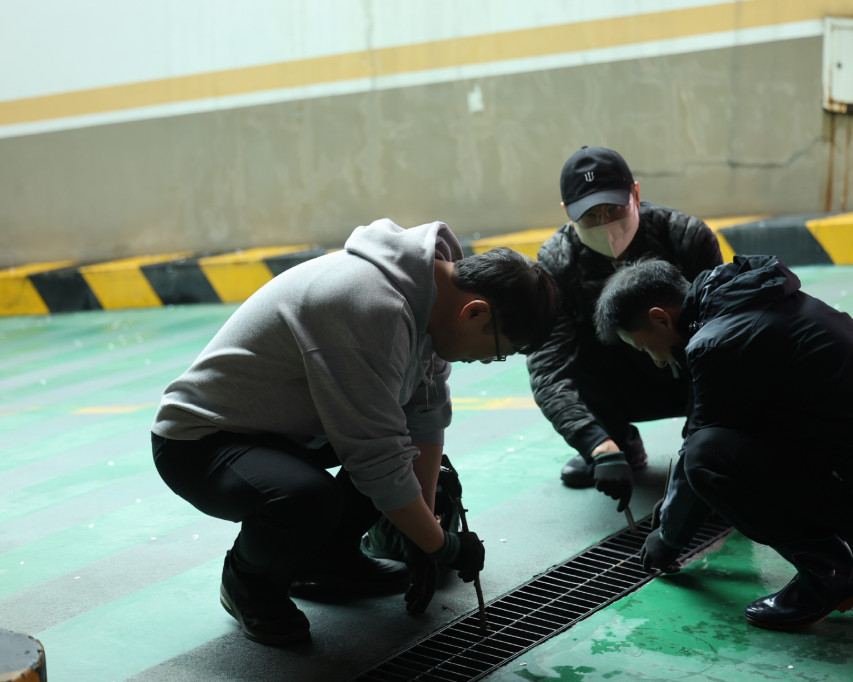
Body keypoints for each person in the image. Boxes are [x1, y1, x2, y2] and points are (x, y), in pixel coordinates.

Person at [151, 218, 560, 645]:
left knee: (406, 461)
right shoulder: (371, 307)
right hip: (201, 442)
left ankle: (324, 561)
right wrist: (441, 545)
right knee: (307, 498)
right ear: (475, 312)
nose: (486, 361)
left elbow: (425, 418)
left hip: (285, 430)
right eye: (497, 352)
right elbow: (377, 459)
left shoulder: (431, 301)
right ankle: (247, 583)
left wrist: (421, 534)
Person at [593, 256, 853, 630]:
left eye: (643, 347)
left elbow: (699, 449)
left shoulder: (719, 341)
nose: (655, 361)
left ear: (660, 319)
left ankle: (829, 574)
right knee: (761, 425)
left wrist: (668, 537)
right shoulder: (762, 301)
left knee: (706, 458)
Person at [527, 146, 723, 511]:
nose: (605, 224)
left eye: (614, 209)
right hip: (620, 385)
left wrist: (698, 447)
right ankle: (617, 443)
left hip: (689, 374)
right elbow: (548, 368)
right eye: (589, 215)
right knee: (573, 350)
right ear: (567, 213)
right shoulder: (556, 262)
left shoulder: (686, 238)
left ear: (635, 193)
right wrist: (595, 443)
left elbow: (720, 343)